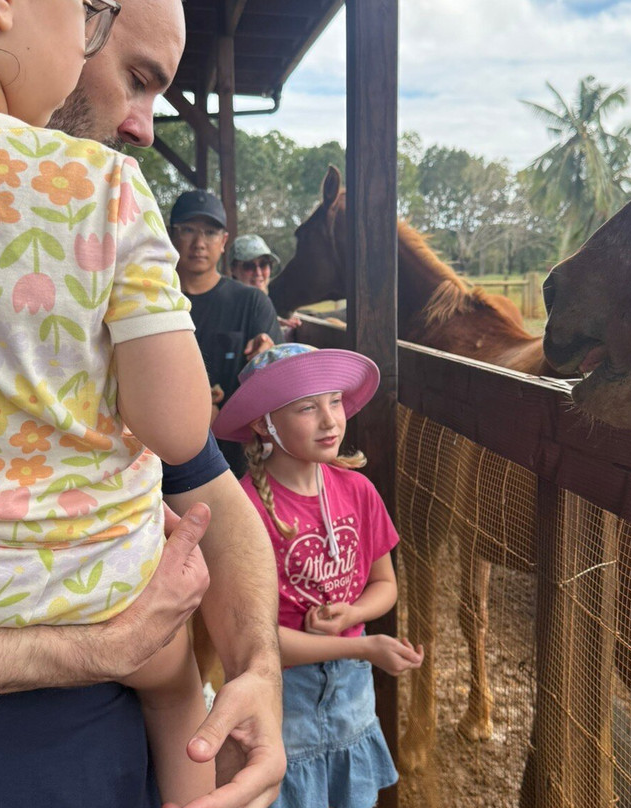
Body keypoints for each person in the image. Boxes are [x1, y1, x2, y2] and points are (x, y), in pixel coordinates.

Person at [0, 2, 284, 807]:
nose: (141, 127)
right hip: (96, 599)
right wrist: (100, 648)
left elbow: (215, 495)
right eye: (91, 24)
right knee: (172, 678)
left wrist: (261, 667)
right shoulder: (99, 188)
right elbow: (177, 432)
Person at [212, 344, 425, 808]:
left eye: (334, 400)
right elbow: (258, 640)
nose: (330, 420)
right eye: (308, 407)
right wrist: (364, 645)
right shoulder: (245, 512)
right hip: (285, 699)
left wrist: (354, 611)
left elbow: (384, 585)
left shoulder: (359, 490)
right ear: (263, 423)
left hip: (353, 697)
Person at [169, 191, 284, 477]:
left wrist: (268, 358)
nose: (199, 243)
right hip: (161, 456)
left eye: (209, 232)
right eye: (188, 230)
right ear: (171, 236)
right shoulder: (153, 300)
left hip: (235, 463)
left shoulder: (252, 302)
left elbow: (279, 381)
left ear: (223, 242)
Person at [230, 234, 300, 338]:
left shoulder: (263, 305)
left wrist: (275, 321)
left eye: (264, 264)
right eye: (249, 266)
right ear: (233, 269)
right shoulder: (228, 307)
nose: (258, 272)